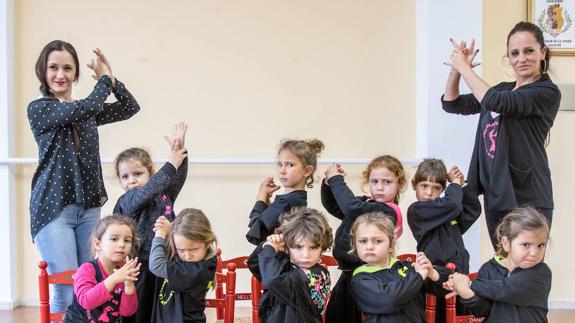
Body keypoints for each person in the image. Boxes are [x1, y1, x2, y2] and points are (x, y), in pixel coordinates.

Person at [28, 40, 140, 313]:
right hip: (53, 210)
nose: (60, 75)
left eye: (68, 68)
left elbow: (129, 107)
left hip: (89, 209)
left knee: (91, 288)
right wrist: (102, 82)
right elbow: (84, 108)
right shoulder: (40, 109)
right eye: (53, 67)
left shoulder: (86, 111)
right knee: (66, 292)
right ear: (43, 71)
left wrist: (111, 79)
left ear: (76, 74)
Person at [442, 21, 561, 248]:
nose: (521, 58)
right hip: (496, 189)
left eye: (529, 51)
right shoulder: (502, 89)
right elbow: (452, 103)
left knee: (526, 266)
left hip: (527, 193)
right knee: (502, 261)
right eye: (514, 53)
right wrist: (455, 70)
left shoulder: (546, 92)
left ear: (542, 52)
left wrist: (466, 69)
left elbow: (495, 102)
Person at [113, 122, 188, 322]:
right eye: (125, 177)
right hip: (139, 266)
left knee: (162, 308)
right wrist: (170, 165)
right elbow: (146, 193)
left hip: (165, 260)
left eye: (138, 174)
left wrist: (179, 152)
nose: (131, 181)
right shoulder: (127, 200)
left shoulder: (163, 193)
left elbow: (176, 178)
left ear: (151, 174)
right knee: (139, 309)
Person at [321, 155, 406, 323]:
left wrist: (337, 180)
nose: (380, 187)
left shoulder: (387, 211)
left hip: (369, 275)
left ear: (399, 185)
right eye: (374, 182)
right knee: (335, 314)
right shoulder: (364, 203)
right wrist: (328, 183)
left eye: (387, 182)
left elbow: (352, 208)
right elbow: (334, 205)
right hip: (348, 272)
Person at [443, 207, 552, 322]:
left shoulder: (541, 273)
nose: (534, 253)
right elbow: (483, 310)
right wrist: (465, 291)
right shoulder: (488, 269)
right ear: (506, 243)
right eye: (526, 245)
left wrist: (470, 284)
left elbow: (507, 288)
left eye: (541, 245)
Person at [407, 158, 481, 322]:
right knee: (439, 317)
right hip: (436, 277)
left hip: (459, 274)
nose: (429, 192)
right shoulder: (417, 210)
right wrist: (453, 186)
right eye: (424, 186)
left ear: (442, 190)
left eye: (436, 188)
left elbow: (472, 211)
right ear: (414, 185)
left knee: (457, 316)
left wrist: (461, 185)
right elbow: (453, 204)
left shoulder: (448, 214)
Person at [350, 212, 448, 323]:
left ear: (391, 246)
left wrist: (432, 274)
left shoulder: (407, 268)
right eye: (363, 241)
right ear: (355, 244)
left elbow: (446, 287)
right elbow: (390, 300)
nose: (369, 246)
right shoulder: (360, 279)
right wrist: (419, 276)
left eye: (377, 241)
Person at [255, 207, 333, 323]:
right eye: (298, 247)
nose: (306, 255)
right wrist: (268, 245)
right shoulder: (289, 265)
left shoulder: (316, 276)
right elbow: (255, 265)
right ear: (287, 246)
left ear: (322, 248)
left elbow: (272, 280)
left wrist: (269, 249)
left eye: (313, 247)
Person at [246, 138, 325, 245]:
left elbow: (256, 228)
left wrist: (262, 194)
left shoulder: (286, 201)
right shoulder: (297, 199)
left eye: (290, 165)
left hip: (270, 259)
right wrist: (267, 200)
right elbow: (270, 226)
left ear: (307, 171)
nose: (282, 171)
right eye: (280, 164)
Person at [63, 215, 141, 322]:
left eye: (127, 240)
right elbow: (87, 301)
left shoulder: (124, 271)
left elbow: (127, 312)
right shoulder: (86, 269)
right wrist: (114, 279)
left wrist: (129, 285)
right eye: (114, 239)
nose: (122, 244)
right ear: (97, 244)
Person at [149, 208, 218, 323]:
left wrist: (160, 234)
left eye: (194, 249)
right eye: (181, 249)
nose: (187, 256)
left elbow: (156, 265)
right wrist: (171, 230)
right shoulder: (194, 260)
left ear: (208, 242)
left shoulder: (197, 271)